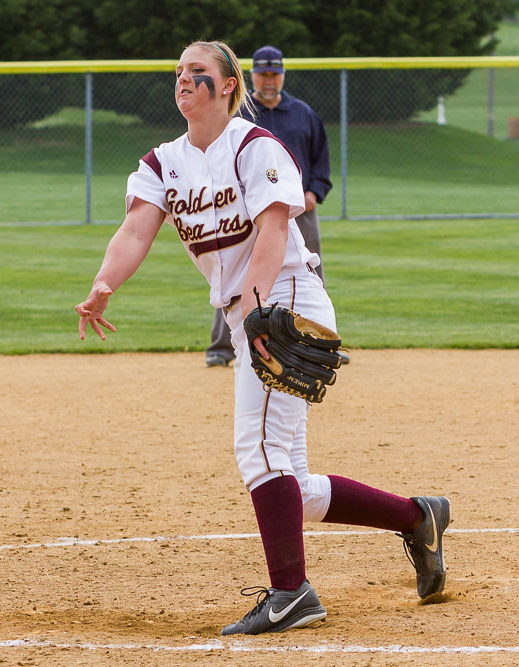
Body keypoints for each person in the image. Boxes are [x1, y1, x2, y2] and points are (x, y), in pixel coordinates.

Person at [75, 40, 450, 635]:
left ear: (228, 86)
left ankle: (291, 593)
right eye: (178, 73)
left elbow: (275, 231)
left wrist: (254, 315)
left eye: (198, 73)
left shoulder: (255, 147)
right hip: (245, 310)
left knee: (259, 451)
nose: (184, 81)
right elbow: (134, 232)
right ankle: (416, 516)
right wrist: (102, 284)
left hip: (285, 300)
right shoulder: (161, 162)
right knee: (289, 487)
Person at [205, 45, 344, 367]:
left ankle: (319, 344)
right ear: (252, 75)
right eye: (263, 73)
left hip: (298, 210)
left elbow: (320, 159)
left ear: (282, 75)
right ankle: (221, 348)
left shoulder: (302, 113)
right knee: (232, 276)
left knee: (309, 274)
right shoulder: (238, 112)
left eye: (275, 74)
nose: (269, 80)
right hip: (245, 212)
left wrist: (314, 192)